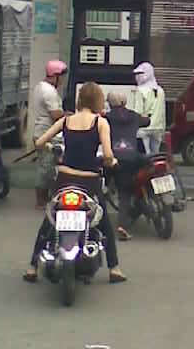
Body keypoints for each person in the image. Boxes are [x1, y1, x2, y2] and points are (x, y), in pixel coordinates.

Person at [25, 81, 125, 283]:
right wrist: (111, 162)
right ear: (98, 100)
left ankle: (32, 267)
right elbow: (107, 155)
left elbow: (39, 142)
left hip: (64, 179)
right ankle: (114, 269)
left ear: (80, 99)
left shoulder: (66, 120)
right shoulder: (100, 122)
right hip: (89, 182)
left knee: (50, 221)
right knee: (104, 222)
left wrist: (53, 149)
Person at [105, 90, 150, 239]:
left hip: (116, 158)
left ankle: (121, 226)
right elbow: (147, 121)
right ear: (125, 102)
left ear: (110, 103)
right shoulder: (134, 116)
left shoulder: (106, 118)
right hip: (134, 158)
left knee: (123, 192)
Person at [32, 59, 67, 209]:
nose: (63, 80)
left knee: (47, 165)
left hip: (42, 132)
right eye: (62, 77)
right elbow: (55, 115)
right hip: (46, 134)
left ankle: (45, 197)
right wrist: (70, 116)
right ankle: (40, 201)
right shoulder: (49, 92)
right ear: (56, 75)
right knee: (45, 167)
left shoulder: (41, 86)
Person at [130, 62, 166, 156]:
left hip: (144, 128)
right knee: (156, 155)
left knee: (145, 156)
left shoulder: (140, 90)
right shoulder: (160, 90)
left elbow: (138, 111)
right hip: (158, 127)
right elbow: (162, 112)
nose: (137, 77)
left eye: (140, 74)